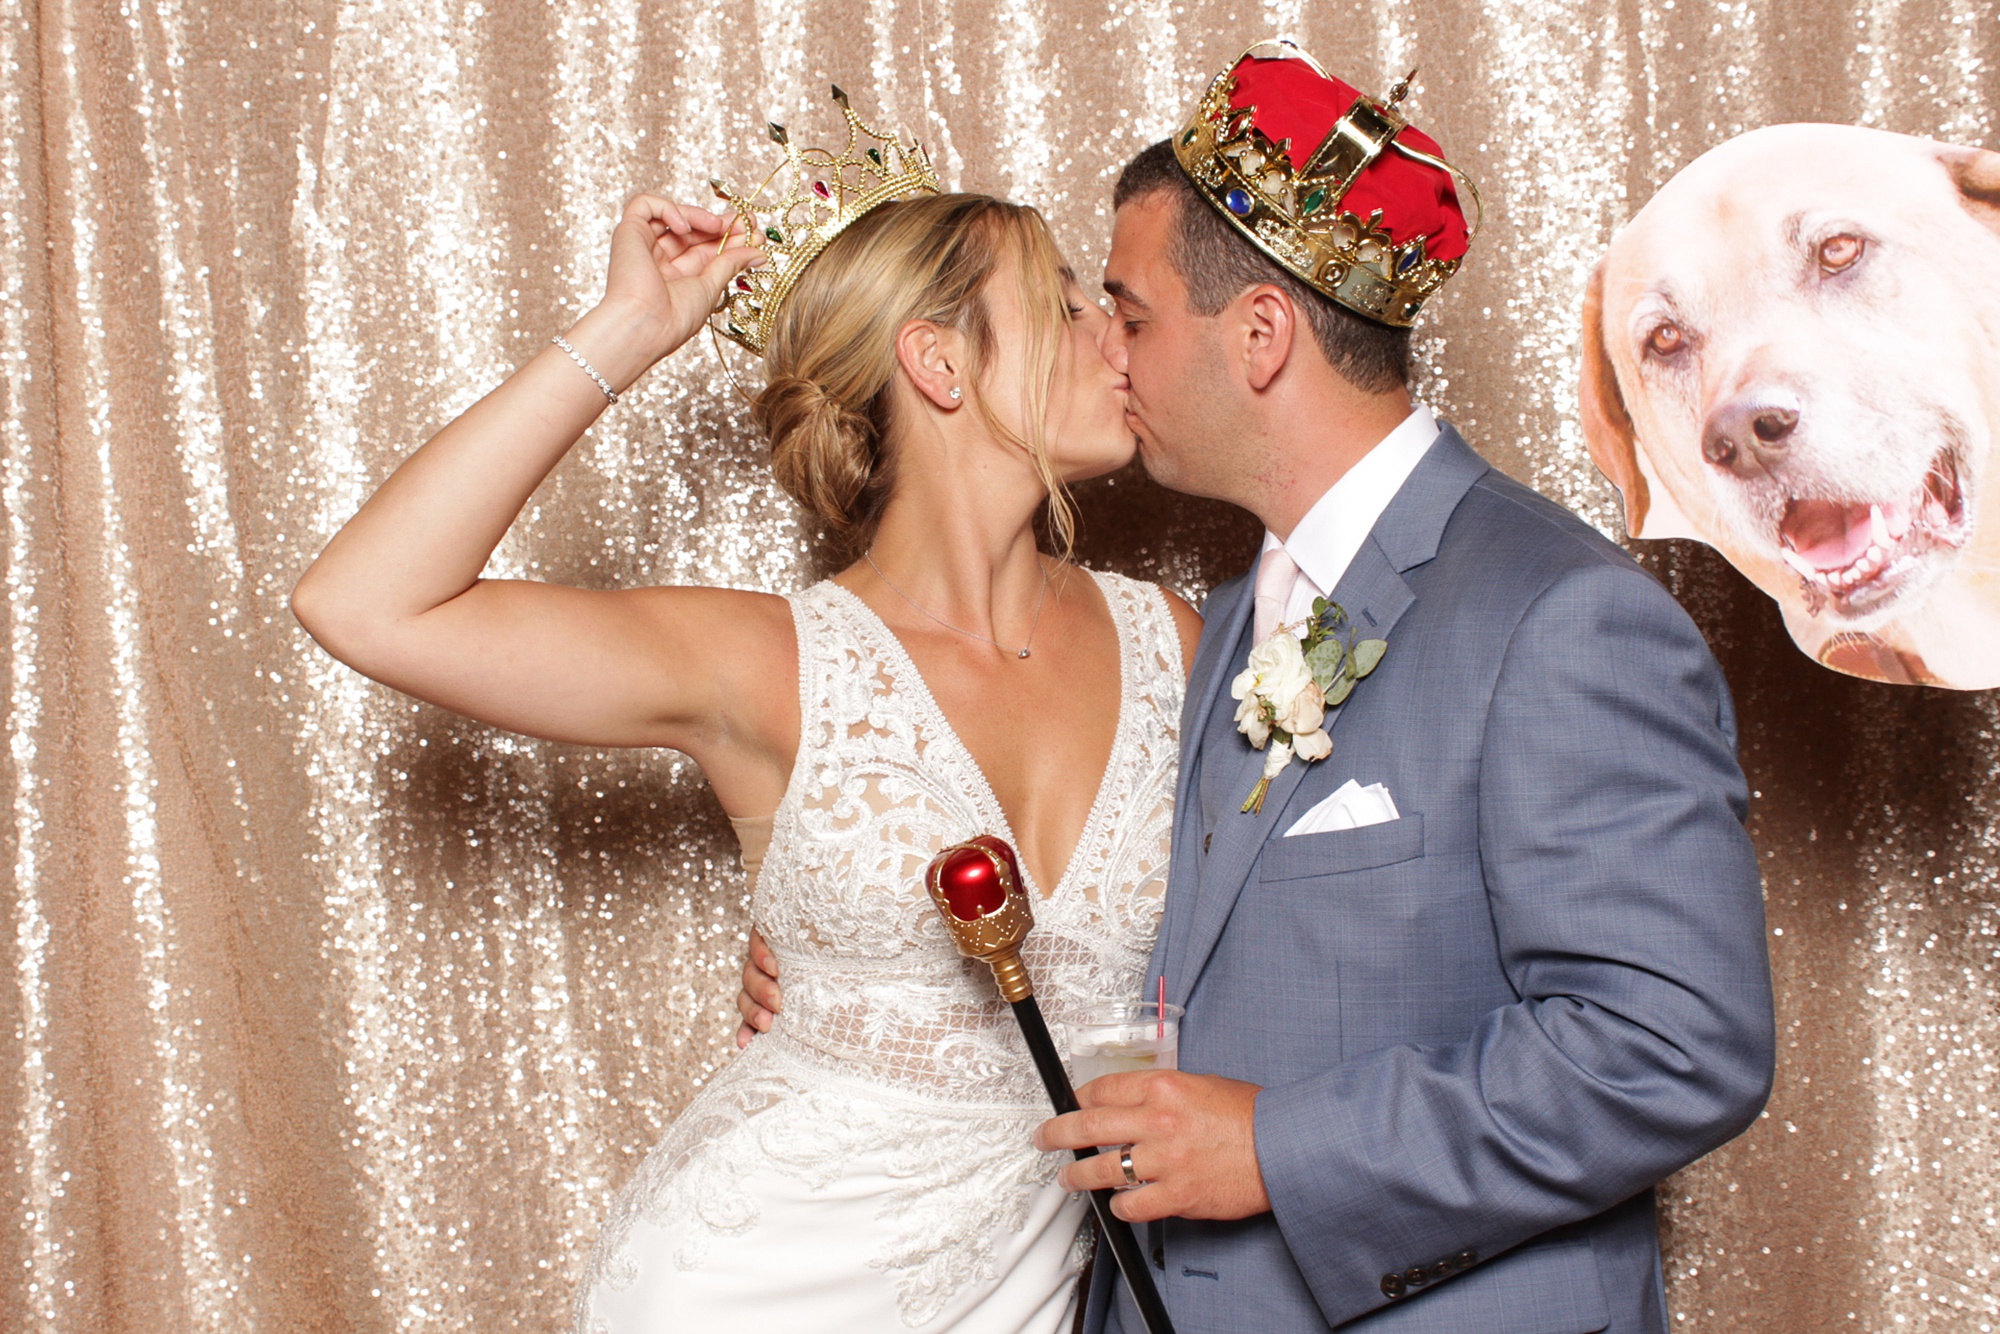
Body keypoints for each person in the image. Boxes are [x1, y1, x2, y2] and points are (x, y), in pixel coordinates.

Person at [742, 40, 1776, 1334]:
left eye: (1127, 312)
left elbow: (1678, 1042)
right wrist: (852, 950)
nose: (1108, 357)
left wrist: (1280, 1148)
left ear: (1263, 334)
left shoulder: (1559, 615)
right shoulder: (1213, 628)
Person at [290, 98, 1202, 1334]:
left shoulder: (1179, 642)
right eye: (1064, 303)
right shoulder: (769, 661)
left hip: (1031, 1282)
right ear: (938, 363)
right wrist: (629, 328)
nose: (1117, 337)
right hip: (752, 1276)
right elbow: (364, 603)